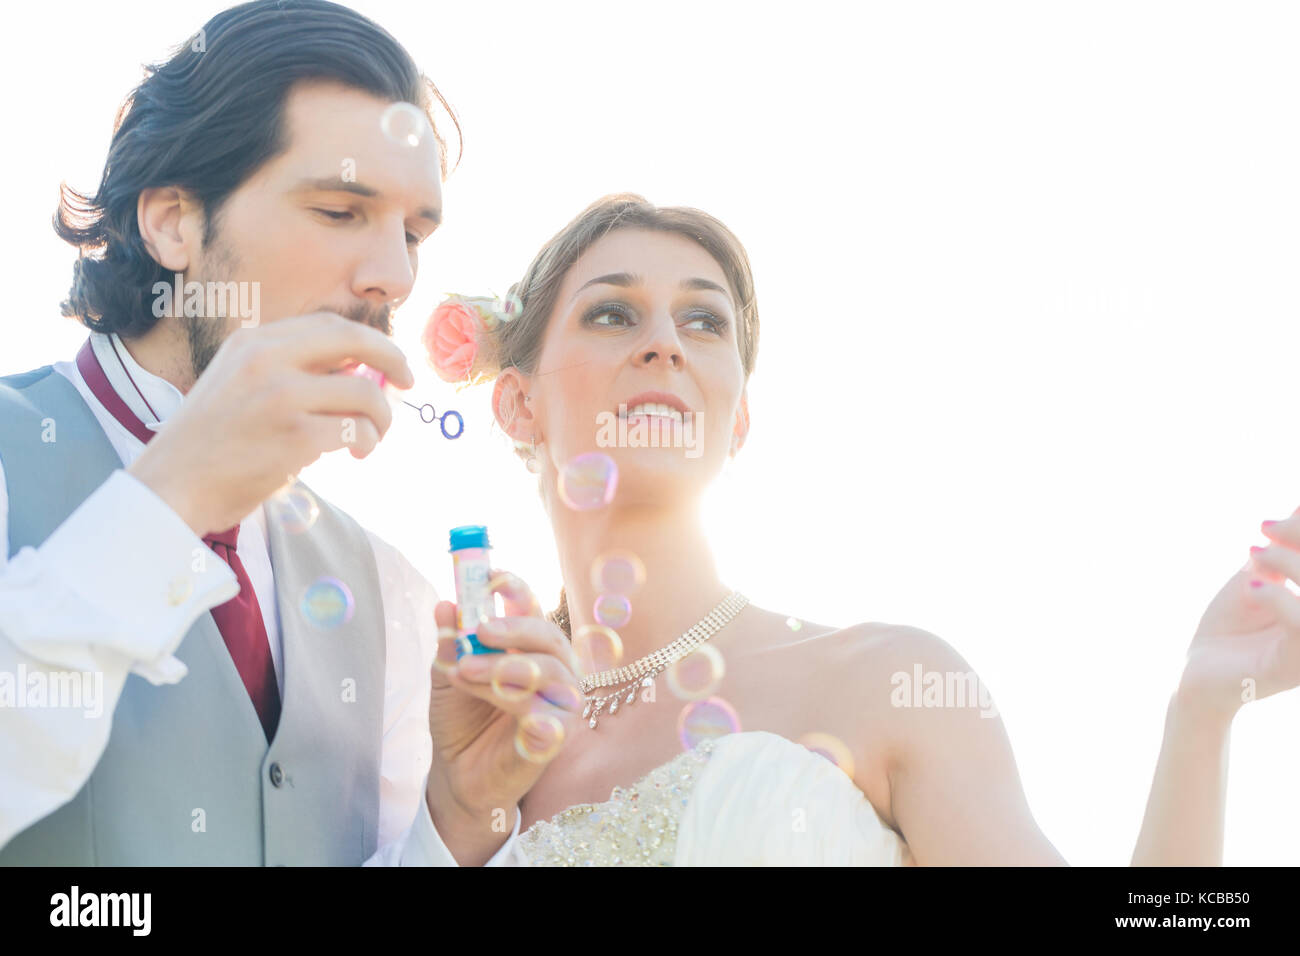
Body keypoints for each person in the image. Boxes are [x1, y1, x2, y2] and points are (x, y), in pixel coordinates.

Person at [426, 192, 1300, 865]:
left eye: (704, 320)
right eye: (613, 313)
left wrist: (1203, 710)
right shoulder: (472, 742)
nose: (666, 343)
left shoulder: (886, 679)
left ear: (737, 422)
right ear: (517, 403)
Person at [0, 0, 580, 866]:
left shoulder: (392, 593)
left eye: (414, 233)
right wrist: (173, 498)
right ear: (172, 223)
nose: (392, 277)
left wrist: (456, 814)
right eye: (342, 211)